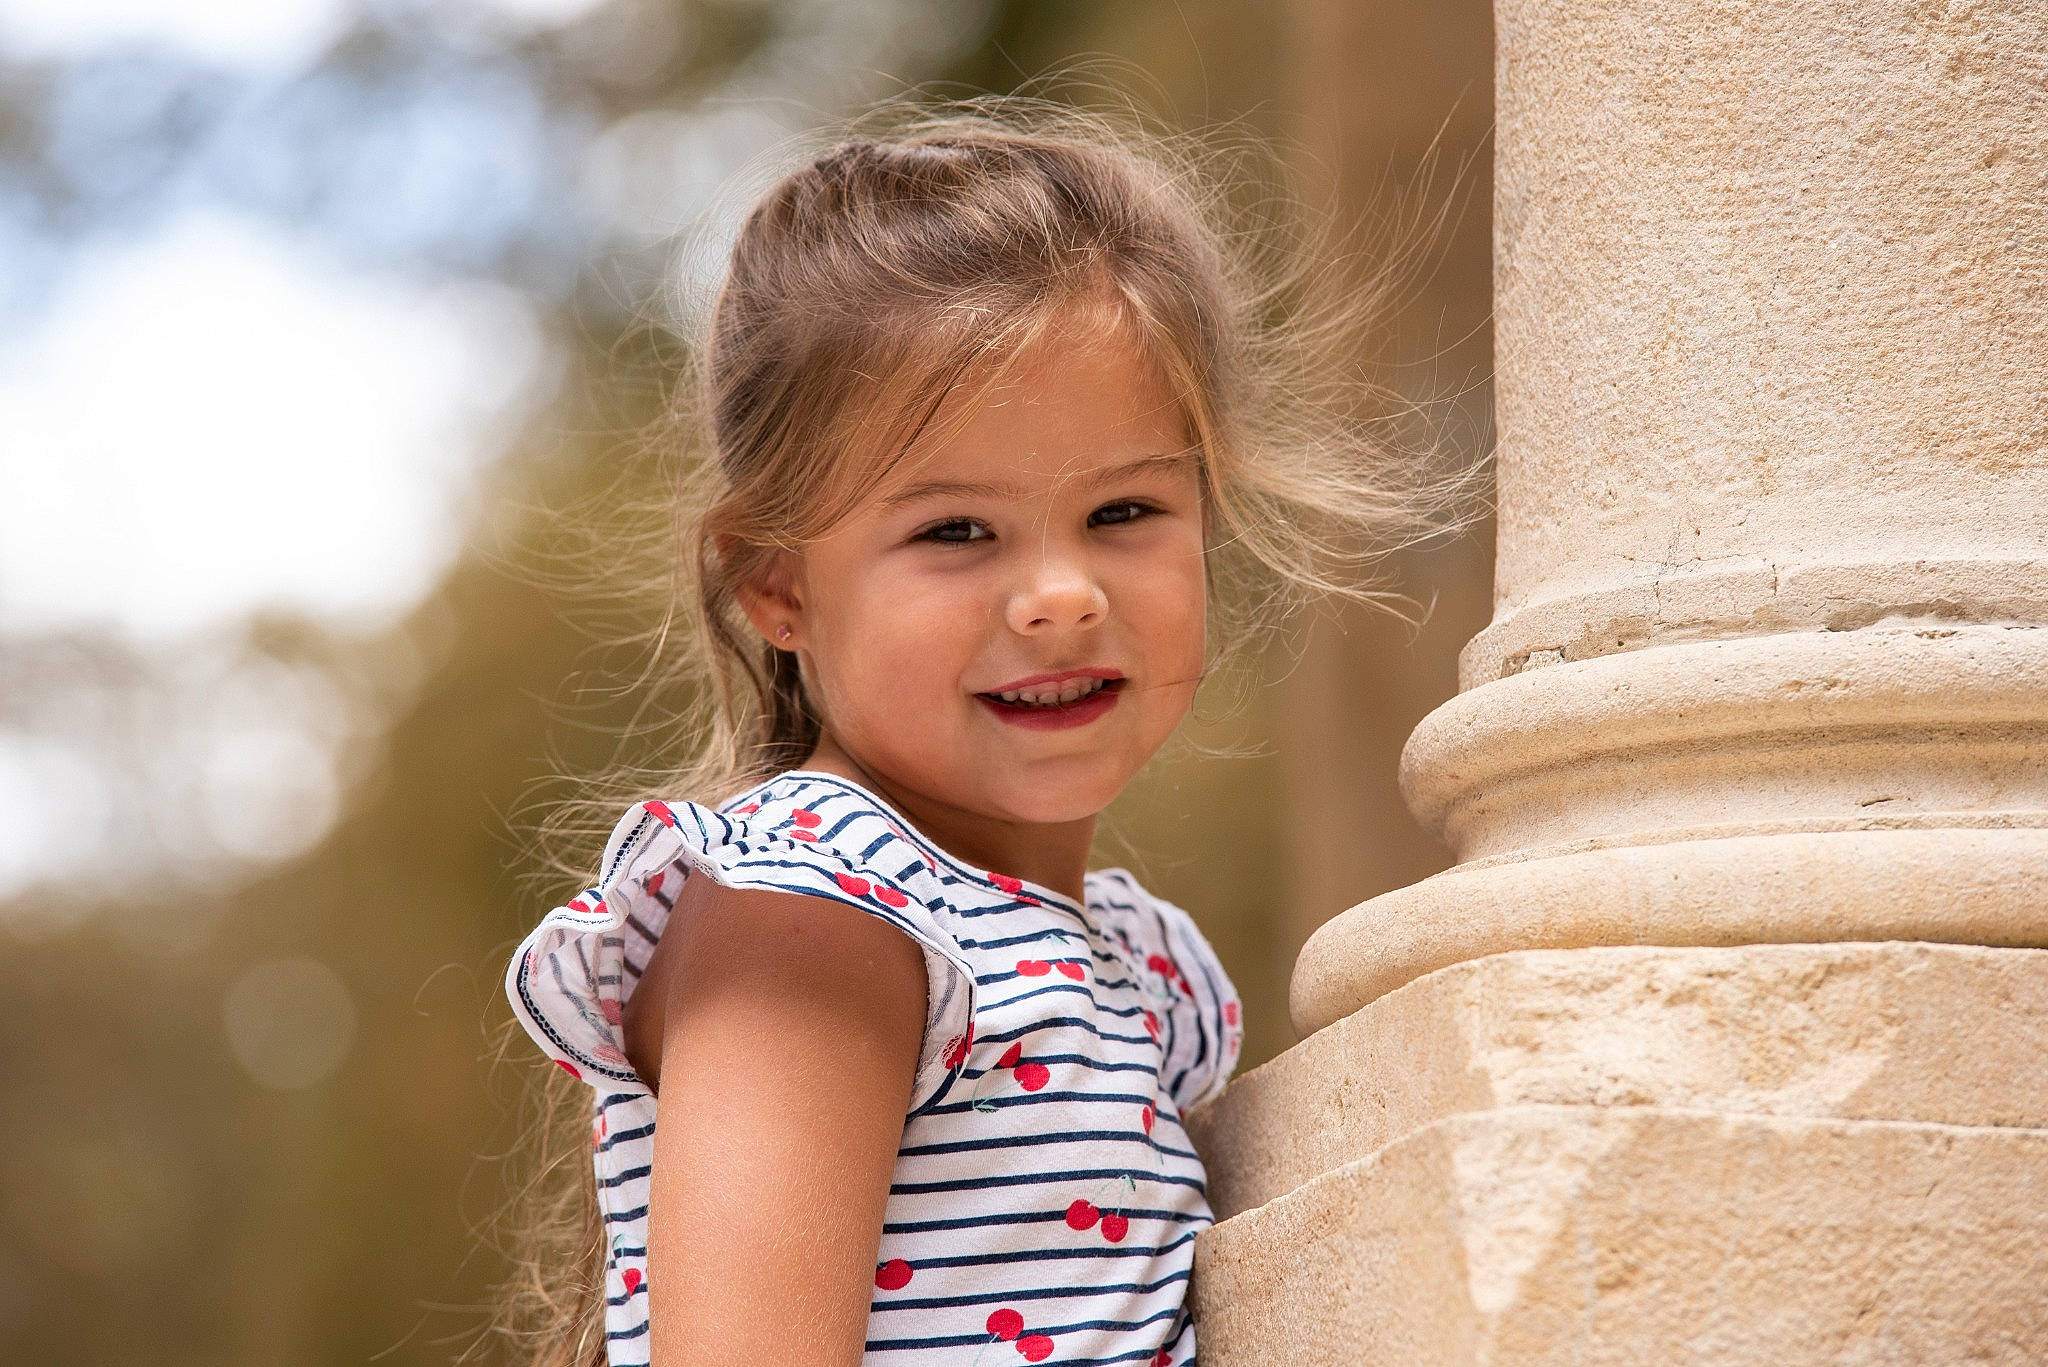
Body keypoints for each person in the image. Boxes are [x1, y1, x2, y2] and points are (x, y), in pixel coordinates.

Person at [499, 96, 1463, 1367]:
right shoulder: (816, 914)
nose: (1061, 592)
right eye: (955, 530)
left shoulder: (1146, 966)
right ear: (778, 584)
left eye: (1123, 509)